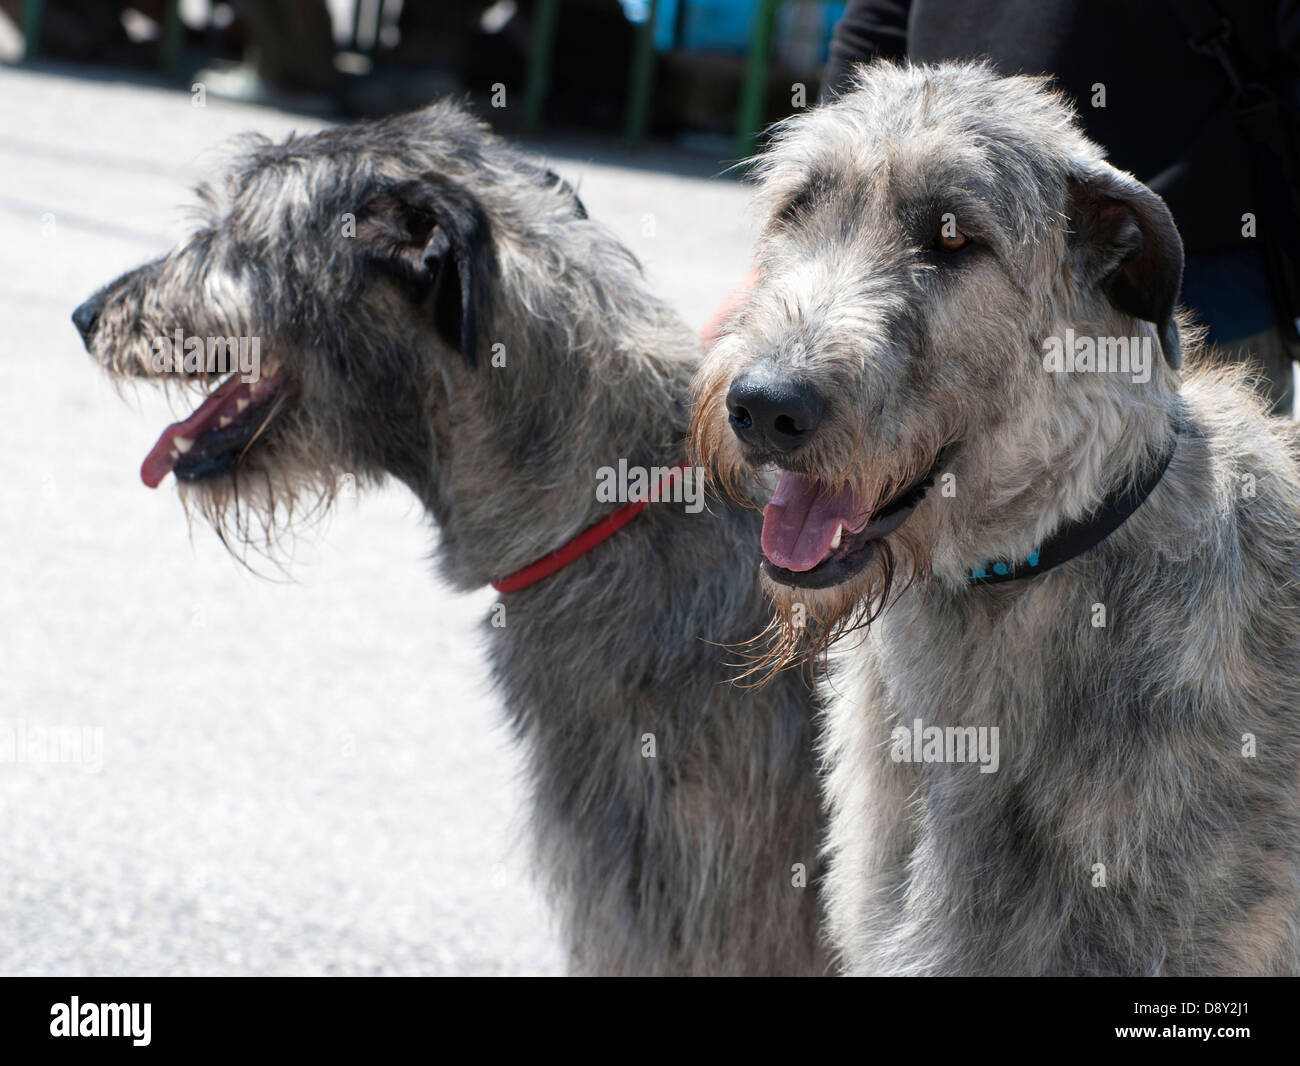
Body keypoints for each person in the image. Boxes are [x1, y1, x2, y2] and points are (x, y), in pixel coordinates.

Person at [707, 0, 1300, 415]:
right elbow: (876, 22)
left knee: (1188, 552)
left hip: (1192, 267)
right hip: (922, 242)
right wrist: (802, 241)